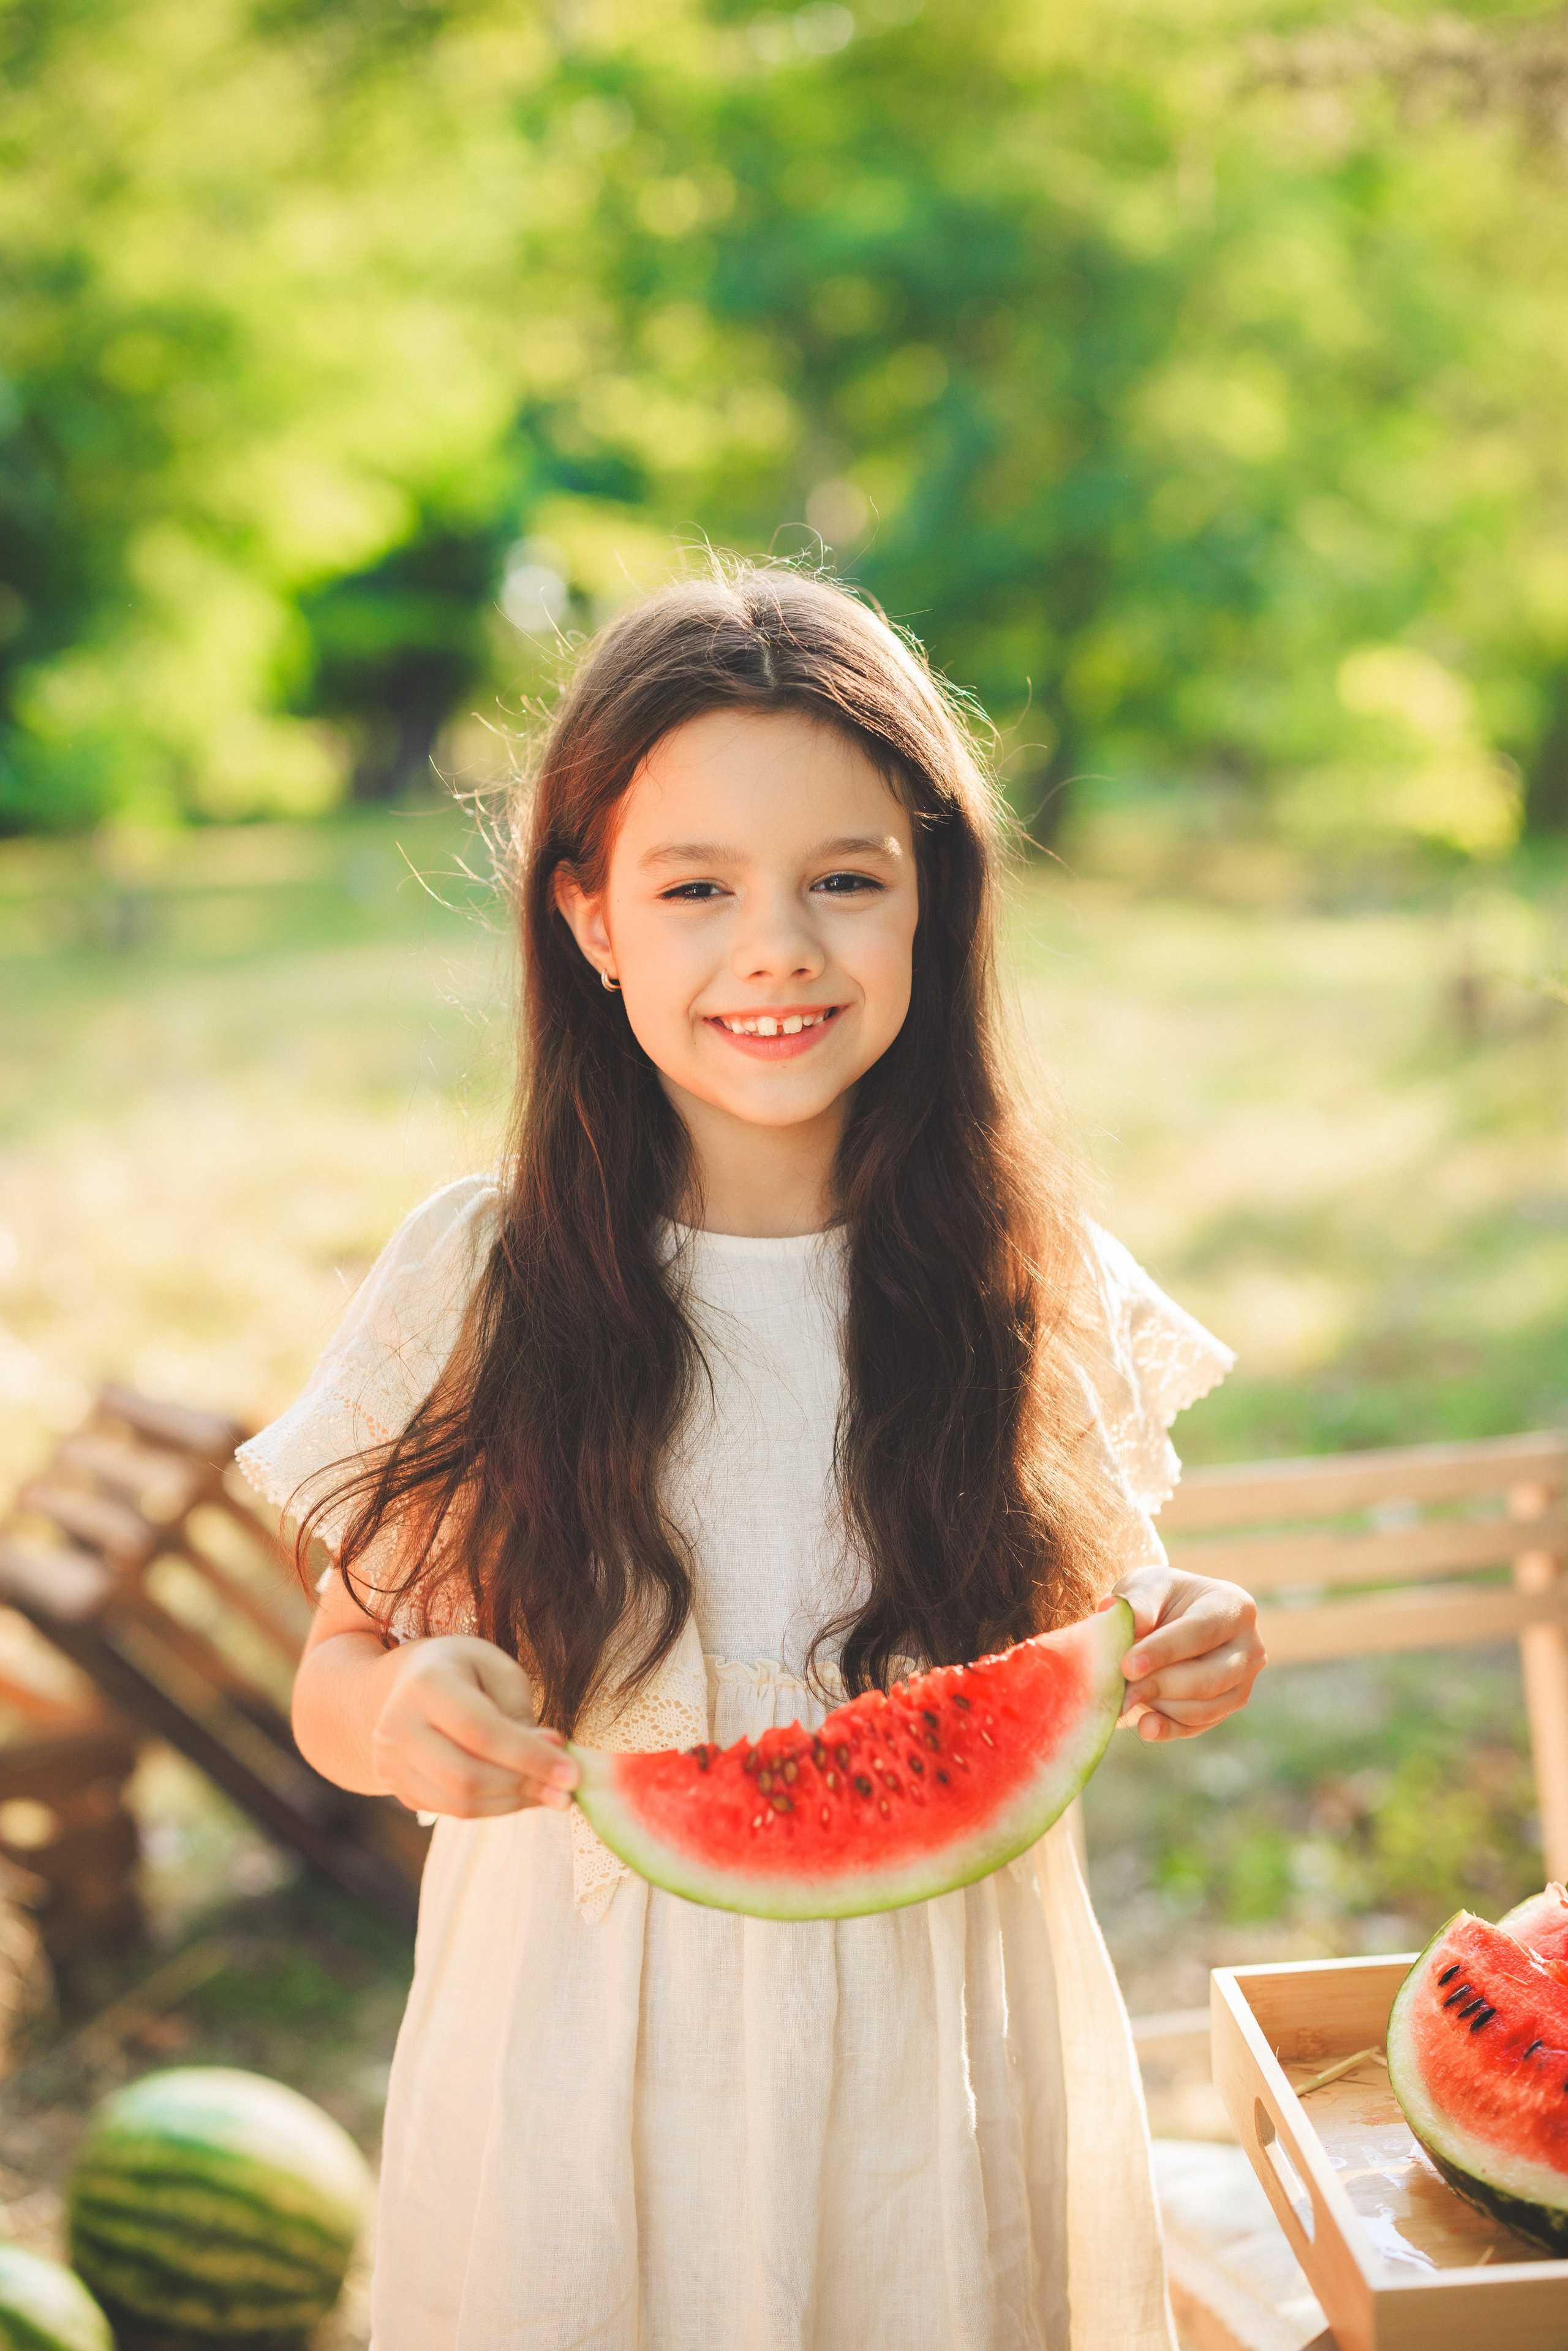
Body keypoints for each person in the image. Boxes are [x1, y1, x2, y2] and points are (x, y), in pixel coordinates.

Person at [241, 564, 1265, 2351]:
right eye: (696, 886)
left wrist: (1182, 1634)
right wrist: (394, 1716)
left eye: (844, 883)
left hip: (939, 2069)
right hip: (572, 2068)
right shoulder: (482, 1279)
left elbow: (1094, 1618)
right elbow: (337, 1674)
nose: (776, 946)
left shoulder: (1031, 1279)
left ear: (934, 905)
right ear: (589, 918)